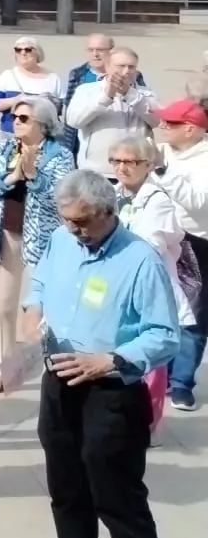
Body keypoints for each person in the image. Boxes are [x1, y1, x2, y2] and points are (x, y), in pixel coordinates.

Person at [16, 170, 179, 538]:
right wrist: (32, 309)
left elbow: (164, 334)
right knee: (66, 490)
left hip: (110, 391)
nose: (75, 231)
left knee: (119, 502)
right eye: (68, 222)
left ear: (109, 213)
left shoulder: (139, 261)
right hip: (59, 381)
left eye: (83, 223)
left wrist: (109, 360)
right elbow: (41, 280)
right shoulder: (62, 241)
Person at [0, 95, 76, 395]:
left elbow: (63, 197)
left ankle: (50, 366)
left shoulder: (60, 155)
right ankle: (4, 371)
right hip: (4, 235)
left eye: (23, 119)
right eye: (14, 118)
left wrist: (34, 177)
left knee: (45, 308)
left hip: (43, 241)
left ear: (43, 125)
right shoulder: (2, 148)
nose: (15, 123)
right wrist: (12, 177)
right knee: (2, 306)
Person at [111, 133, 190, 429]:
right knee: (125, 346)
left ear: (147, 164)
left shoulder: (157, 200)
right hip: (118, 284)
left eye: (130, 162)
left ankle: (150, 422)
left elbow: (152, 242)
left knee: (152, 355)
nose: (122, 168)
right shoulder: (112, 195)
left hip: (151, 284)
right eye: (116, 161)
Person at [153, 97, 208, 412]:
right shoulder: (160, 151)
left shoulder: (204, 158)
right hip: (160, 236)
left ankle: (181, 383)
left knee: (193, 315)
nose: (162, 126)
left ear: (191, 129)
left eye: (170, 123)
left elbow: (199, 202)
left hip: (196, 243)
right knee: (159, 308)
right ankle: (160, 373)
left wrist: (164, 172)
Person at [67, 46, 154, 175]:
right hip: (98, 171)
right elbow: (74, 121)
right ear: (107, 67)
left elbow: (157, 121)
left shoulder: (145, 93)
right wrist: (105, 98)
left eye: (131, 67)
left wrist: (131, 95)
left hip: (135, 171)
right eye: (121, 66)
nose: (126, 71)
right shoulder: (86, 91)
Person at [0, 36, 66, 137]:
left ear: (38, 53)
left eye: (28, 49)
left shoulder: (52, 78)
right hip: (12, 134)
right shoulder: (7, 76)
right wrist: (16, 101)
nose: (23, 53)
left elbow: (62, 109)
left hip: (44, 136)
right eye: (18, 50)